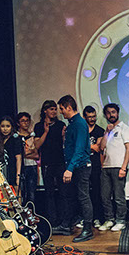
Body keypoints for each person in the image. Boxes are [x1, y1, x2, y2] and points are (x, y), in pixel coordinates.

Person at [53, 95, 94, 242]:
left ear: (69, 107)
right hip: (74, 166)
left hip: (81, 167)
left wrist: (69, 168)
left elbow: (79, 149)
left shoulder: (79, 123)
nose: (61, 112)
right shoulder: (72, 124)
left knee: (83, 197)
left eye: (62, 109)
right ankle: (66, 225)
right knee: (70, 196)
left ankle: (88, 230)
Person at [99, 103, 129, 233]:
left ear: (117, 113)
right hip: (106, 166)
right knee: (105, 196)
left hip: (118, 167)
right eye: (108, 113)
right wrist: (107, 132)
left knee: (119, 196)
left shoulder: (124, 128)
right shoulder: (107, 130)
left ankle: (120, 221)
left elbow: (128, 149)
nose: (111, 115)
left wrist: (124, 167)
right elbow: (102, 147)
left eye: (113, 112)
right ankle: (109, 219)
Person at [33, 100, 66, 230]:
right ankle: (52, 220)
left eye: (55, 109)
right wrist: (46, 132)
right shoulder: (39, 126)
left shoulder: (61, 125)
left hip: (60, 162)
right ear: (45, 110)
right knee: (49, 193)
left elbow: (64, 144)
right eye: (51, 109)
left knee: (63, 192)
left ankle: (63, 220)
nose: (54, 111)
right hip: (47, 163)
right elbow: (37, 145)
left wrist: (64, 136)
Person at [83, 105, 105, 229]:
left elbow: (97, 147)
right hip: (82, 164)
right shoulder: (82, 130)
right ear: (84, 117)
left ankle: (97, 218)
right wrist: (89, 146)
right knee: (84, 193)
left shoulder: (99, 130)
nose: (92, 119)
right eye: (89, 117)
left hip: (95, 165)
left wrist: (84, 146)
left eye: (94, 116)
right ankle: (86, 218)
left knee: (96, 192)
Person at [16, 111, 39, 206]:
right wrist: (27, 153)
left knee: (31, 192)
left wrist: (26, 154)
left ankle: (31, 211)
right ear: (18, 123)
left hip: (31, 165)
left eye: (27, 121)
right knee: (21, 191)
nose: (25, 123)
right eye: (23, 121)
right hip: (20, 167)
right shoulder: (16, 136)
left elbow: (37, 155)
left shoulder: (32, 136)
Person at [0, 116, 22, 194]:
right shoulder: (0, 139)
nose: (5, 129)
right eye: (3, 126)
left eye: (8, 126)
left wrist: (18, 176)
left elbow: (18, 158)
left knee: (16, 194)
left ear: (11, 127)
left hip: (14, 171)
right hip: (4, 171)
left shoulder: (15, 139)